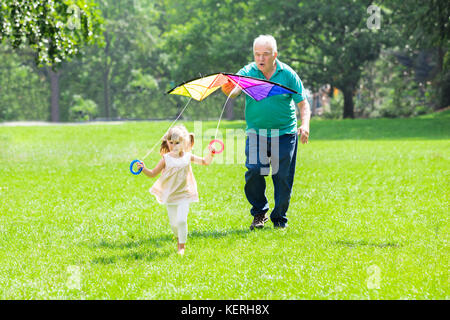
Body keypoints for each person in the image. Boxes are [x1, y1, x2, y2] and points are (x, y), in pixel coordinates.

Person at [222, 35, 311, 230]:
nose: (260, 59)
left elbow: (303, 104)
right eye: (257, 54)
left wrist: (305, 125)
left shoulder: (288, 74)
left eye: (265, 54)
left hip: (285, 133)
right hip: (257, 133)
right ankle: (259, 213)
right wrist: (230, 88)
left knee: (282, 177)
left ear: (275, 55)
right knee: (254, 170)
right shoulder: (248, 72)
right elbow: (236, 90)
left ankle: (279, 219)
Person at [137, 124, 215, 254]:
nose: (173, 146)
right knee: (174, 224)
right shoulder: (165, 159)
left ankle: (181, 247)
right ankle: (179, 237)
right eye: (171, 142)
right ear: (167, 142)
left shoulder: (187, 156)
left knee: (181, 220)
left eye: (177, 143)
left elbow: (205, 162)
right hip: (170, 196)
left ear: (184, 142)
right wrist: (143, 168)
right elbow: (152, 174)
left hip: (185, 194)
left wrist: (211, 153)